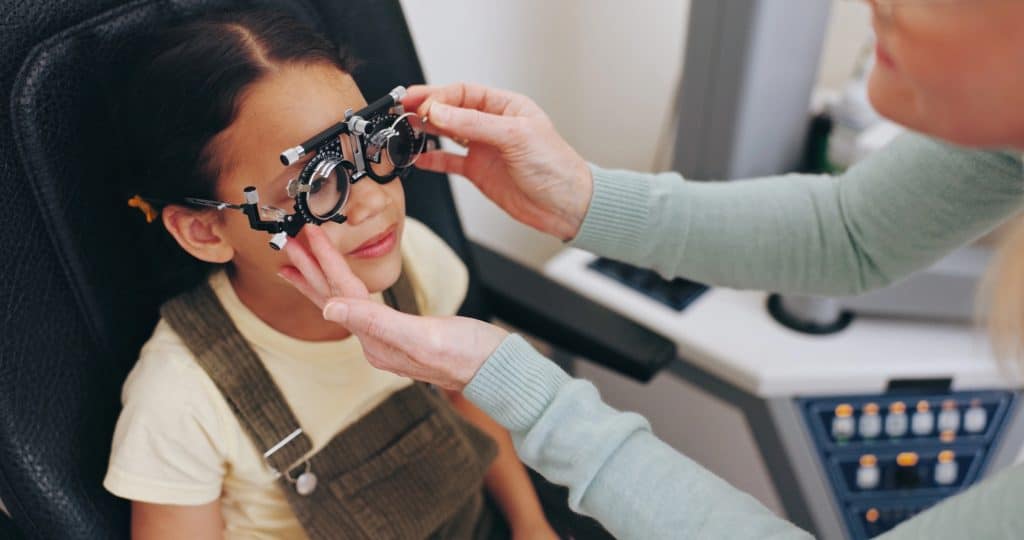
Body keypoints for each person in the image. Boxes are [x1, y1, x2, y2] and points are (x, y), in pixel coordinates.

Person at [278, 0, 1024, 538]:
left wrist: (525, 397)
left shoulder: (430, 270)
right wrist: (583, 199)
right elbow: (854, 232)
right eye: (317, 181)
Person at [103, 10, 557, 540]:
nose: (373, 202)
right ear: (206, 231)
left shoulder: (414, 263)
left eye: (373, 148)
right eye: (317, 184)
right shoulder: (180, 402)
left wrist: (531, 524)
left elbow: (463, 401)